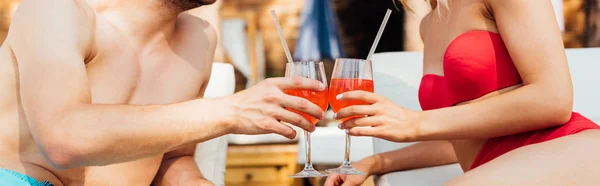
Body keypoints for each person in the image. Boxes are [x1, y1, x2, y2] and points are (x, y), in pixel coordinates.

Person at [0, 0, 327, 185]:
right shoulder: (56, 9)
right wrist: (230, 110)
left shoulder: (199, 39)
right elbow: (64, 138)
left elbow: (171, 157)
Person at [326, 0, 600, 185]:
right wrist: (374, 162)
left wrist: (414, 122)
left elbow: (554, 99)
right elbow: (463, 140)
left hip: (569, 150)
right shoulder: (430, 24)